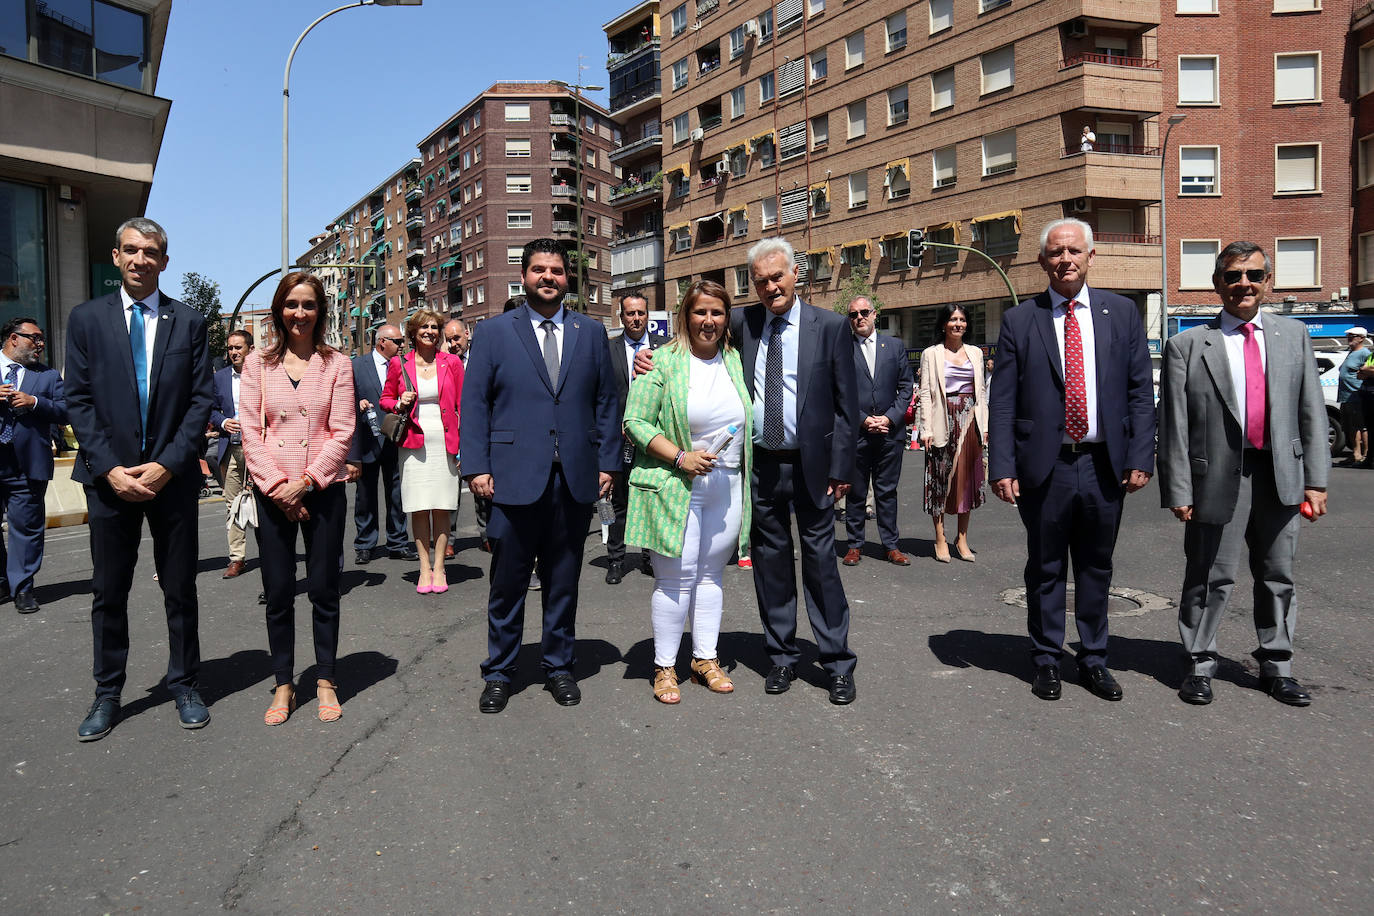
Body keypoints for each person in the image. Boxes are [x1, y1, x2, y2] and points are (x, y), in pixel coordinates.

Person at [988, 217, 1155, 703]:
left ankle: (1094, 658)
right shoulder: (1021, 319)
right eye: (1056, 252)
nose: (1066, 259)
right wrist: (1002, 466)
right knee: (1044, 567)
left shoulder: (1121, 313)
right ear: (1043, 261)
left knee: (1096, 566)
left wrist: (1141, 454)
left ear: (1090, 257)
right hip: (1045, 466)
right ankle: (1046, 658)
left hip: (1104, 464)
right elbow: (1003, 401)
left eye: (1074, 251)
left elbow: (1140, 392)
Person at [1158, 242, 1329, 707]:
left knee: (1278, 575)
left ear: (1268, 282)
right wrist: (1178, 488)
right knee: (1208, 576)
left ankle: (1277, 666)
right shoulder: (1187, 345)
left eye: (1254, 275)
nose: (1244, 284)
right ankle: (1199, 664)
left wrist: (1316, 481)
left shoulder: (1293, 335)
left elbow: (1311, 411)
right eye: (1233, 276)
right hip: (1214, 478)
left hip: (1281, 474)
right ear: (1217, 284)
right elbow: (1173, 426)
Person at [66, 217, 214, 741]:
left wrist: (167, 464)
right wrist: (109, 468)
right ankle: (107, 693)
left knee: (180, 589)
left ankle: (185, 684)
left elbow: (201, 401)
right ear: (116, 256)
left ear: (164, 262)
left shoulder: (189, 322)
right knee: (109, 592)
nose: (140, 259)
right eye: (131, 250)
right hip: (109, 481)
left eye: (150, 252)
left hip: (171, 479)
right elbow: (78, 399)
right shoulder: (86, 320)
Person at [460, 238, 619, 713]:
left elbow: (606, 402)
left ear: (568, 278)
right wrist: (477, 466)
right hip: (511, 476)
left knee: (563, 579)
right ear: (523, 276)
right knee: (507, 582)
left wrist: (608, 463)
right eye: (538, 270)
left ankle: (559, 666)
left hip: (574, 476)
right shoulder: (493, 333)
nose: (548, 277)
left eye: (556, 270)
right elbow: (475, 404)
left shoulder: (591, 332)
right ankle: (500, 672)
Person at [732, 237, 859, 704]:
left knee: (821, 563)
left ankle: (837, 662)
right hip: (762, 465)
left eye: (777, 277)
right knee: (771, 565)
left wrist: (841, 467)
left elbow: (847, 406)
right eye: (761, 281)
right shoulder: (742, 323)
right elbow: (693, 336)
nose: (770, 287)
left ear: (795, 275)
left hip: (814, 467)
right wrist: (648, 355)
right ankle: (782, 656)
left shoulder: (831, 327)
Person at [623, 280, 752, 704]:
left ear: (727, 318)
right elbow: (635, 423)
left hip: (726, 484)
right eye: (700, 312)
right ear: (685, 316)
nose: (708, 321)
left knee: (711, 576)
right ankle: (664, 666)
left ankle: (704, 659)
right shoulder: (660, 361)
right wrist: (681, 457)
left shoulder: (734, 360)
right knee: (675, 579)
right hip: (677, 484)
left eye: (717, 312)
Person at [240, 272, 356, 726]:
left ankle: (326, 678)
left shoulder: (337, 364)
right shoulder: (257, 364)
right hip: (273, 494)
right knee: (278, 592)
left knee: (324, 589)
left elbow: (342, 431)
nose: (300, 313)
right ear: (278, 310)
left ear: (320, 311)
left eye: (309, 305)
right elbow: (251, 432)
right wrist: (278, 487)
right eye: (291, 304)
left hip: (322, 490)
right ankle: (284, 682)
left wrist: (305, 481)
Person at [382, 309, 462, 594]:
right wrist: (399, 402)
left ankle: (439, 567)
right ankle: (424, 567)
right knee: (418, 507)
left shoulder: (452, 362)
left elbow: (463, 404)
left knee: (442, 505)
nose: (429, 331)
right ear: (413, 333)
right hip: (412, 443)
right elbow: (385, 399)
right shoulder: (399, 363)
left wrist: (464, 446)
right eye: (424, 327)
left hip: (445, 441)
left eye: (434, 327)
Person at [0, 316, 66, 614]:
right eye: (34, 338)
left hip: (27, 464)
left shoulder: (48, 376)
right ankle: (3, 580)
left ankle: (23, 587)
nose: (40, 344)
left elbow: (67, 411)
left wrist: (35, 402)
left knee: (26, 527)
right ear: (13, 338)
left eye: (42, 339)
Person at [842, 296, 913, 567]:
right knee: (856, 492)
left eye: (863, 312)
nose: (859, 317)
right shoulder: (843, 348)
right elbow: (839, 391)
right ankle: (854, 545)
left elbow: (906, 387)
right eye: (853, 314)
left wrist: (890, 418)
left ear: (874, 314)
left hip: (889, 433)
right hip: (857, 433)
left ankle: (891, 545)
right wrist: (862, 419)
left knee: (887, 492)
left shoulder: (894, 346)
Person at [606, 290, 668, 585]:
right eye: (630, 313)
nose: (636, 318)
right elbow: (603, 396)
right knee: (617, 503)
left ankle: (648, 557)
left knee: (649, 498)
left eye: (641, 313)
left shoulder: (664, 348)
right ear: (621, 316)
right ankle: (616, 560)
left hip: (654, 439)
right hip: (619, 439)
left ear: (648, 315)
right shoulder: (609, 349)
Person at [918, 305, 988, 563]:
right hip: (942, 419)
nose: (958, 323)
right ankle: (940, 537)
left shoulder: (976, 353)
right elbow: (926, 393)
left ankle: (962, 538)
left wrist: (985, 426)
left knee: (966, 480)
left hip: (970, 420)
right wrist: (925, 428)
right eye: (952, 319)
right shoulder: (931, 353)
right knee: (940, 478)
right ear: (943, 324)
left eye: (962, 319)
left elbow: (981, 392)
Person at [347, 325, 414, 566]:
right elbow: (346, 397)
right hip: (368, 438)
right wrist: (357, 403)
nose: (402, 345)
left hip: (396, 437)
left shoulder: (405, 365)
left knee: (397, 493)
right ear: (382, 342)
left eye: (403, 341)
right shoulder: (357, 366)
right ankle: (365, 544)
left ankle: (398, 542)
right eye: (397, 341)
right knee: (365, 495)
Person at [211, 330, 252, 578]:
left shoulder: (264, 375)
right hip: (231, 447)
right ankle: (237, 558)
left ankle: (272, 553)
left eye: (238, 347)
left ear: (250, 349)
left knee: (263, 502)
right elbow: (210, 409)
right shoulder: (220, 378)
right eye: (230, 348)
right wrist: (224, 422)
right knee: (233, 503)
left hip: (258, 448)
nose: (233, 352)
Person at [443, 318, 471, 559]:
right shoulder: (444, 363)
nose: (453, 344)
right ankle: (449, 539)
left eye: (457, 338)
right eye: (448, 340)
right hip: (453, 432)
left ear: (467, 334)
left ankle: (487, 535)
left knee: (484, 485)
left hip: (479, 430)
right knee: (452, 490)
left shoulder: (481, 358)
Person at [1337, 327, 1369, 465]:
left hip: (1356, 396)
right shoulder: (1351, 352)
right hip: (1346, 396)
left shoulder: (1365, 353)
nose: (1349, 338)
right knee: (1350, 427)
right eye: (1348, 336)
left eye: (1353, 336)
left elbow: (1369, 371)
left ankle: (1366, 455)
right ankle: (1355, 454)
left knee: (1361, 426)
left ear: (1361, 338)